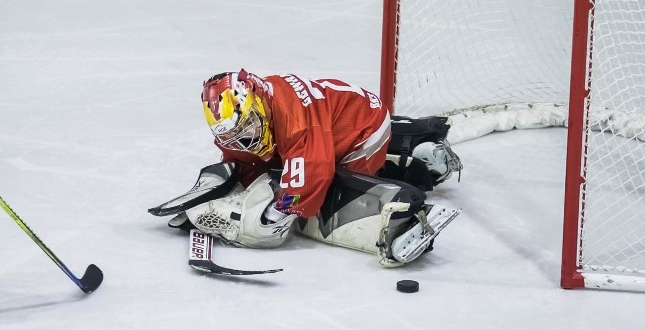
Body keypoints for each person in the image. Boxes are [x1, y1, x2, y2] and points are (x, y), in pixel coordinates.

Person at [153, 69, 462, 266]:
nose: (243, 140)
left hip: (363, 128)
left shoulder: (295, 123)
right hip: (331, 123)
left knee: (333, 196)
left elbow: (310, 179)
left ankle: (410, 185)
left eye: (247, 129)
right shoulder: (252, 115)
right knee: (282, 169)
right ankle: (414, 146)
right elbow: (245, 160)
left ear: (258, 105)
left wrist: (271, 215)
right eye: (234, 136)